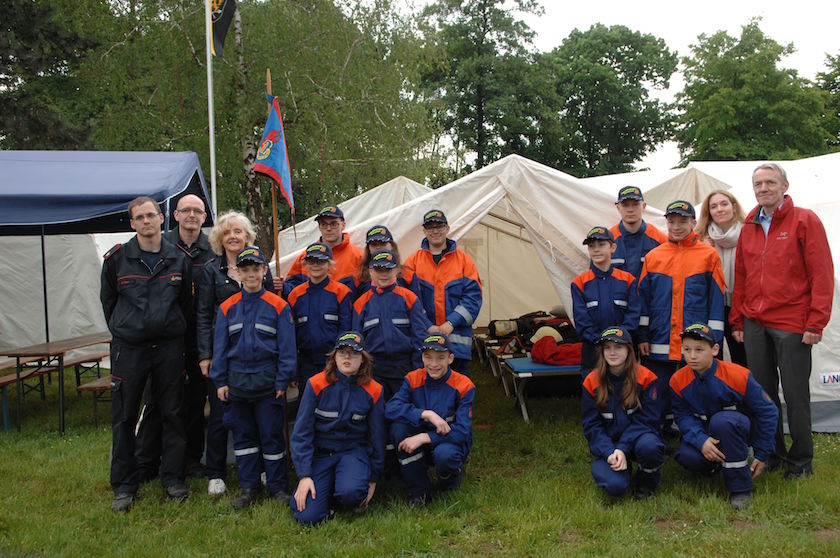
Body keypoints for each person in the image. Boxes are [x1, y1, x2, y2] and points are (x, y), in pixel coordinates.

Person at [730, 163, 834, 479]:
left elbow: (821, 272)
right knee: (762, 393)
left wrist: (816, 322)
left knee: (795, 392)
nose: (764, 188)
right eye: (758, 183)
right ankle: (771, 453)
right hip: (754, 322)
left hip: (791, 321)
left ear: (784, 185)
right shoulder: (748, 225)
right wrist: (737, 319)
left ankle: (801, 461)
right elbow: (742, 275)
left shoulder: (804, 220)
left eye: (770, 182)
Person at [100, 196, 192, 512]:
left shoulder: (178, 259)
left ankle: (173, 478)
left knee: (172, 413)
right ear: (132, 223)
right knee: (124, 417)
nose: (146, 221)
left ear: (162, 218)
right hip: (130, 349)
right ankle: (124, 486)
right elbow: (108, 303)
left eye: (150, 215)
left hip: (168, 347)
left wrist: (168, 326)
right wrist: (127, 328)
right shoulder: (116, 260)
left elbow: (185, 304)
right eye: (139, 217)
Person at [196, 210, 279, 496]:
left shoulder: (260, 266)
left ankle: (266, 469)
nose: (233, 236)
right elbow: (204, 314)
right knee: (221, 414)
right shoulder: (210, 270)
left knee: (261, 416)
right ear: (220, 237)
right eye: (227, 232)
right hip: (224, 355)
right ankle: (216, 472)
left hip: (258, 356)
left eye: (238, 232)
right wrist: (205, 355)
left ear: (248, 237)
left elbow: (273, 306)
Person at [135, 194, 214, 482]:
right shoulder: (161, 244)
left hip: (198, 336)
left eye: (197, 211)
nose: (192, 215)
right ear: (176, 215)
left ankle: (191, 458)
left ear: (204, 218)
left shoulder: (212, 249)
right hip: (164, 337)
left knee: (194, 400)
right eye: (186, 210)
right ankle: (146, 461)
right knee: (158, 399)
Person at [211, 246, 297, 509]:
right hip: (237, 385)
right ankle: (249, 487)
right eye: (245, 270)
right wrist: (220, 381)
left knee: (272, 437)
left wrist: (282, 380)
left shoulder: (279, 306)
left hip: (268, 384)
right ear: (237, 273)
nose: (251, 274)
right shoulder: (226, 308)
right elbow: (220, 348)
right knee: (244, 438)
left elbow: (287, 349)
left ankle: (277, 486)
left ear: (263, 271)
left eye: (256, 269)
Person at [638, 200, 726, 433]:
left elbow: (717, 301)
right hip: (660, 337)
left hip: (696, 341)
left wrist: (714, 339)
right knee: (659, 388)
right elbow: (643, 301)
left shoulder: (708, 255)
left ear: (694, 223)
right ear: (666, 222)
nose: (676, 226)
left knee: (701, 387)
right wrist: (643, 336)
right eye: (672, 221)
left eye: (683, 221)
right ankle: (660, 432)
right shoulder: (654, 256)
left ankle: (704, 432)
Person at [670, 323, 778, 509]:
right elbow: (683, 416)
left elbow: (767, 411)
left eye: (699, 349)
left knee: (722, 422)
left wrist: (762, 453)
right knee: (685, 455)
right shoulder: (678, 380)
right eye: (687, 349)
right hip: (707, 433)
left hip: (737, 428)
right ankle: (718, 465)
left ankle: (740, 488)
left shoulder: (738, 375)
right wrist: (701, 441)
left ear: (715, 349)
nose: (692, 356)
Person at [290, 332, 385, 524]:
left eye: (353, 353)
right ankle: (328, 492)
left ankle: (344, 489)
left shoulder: (374, 390)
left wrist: (373, 478)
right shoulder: (315, 384)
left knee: (352, 494)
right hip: (322, 455)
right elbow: (301, 433)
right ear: (334, 357)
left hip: (353, 452)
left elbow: (378, 438)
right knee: (307, 516)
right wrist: (304, 475)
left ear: (363, 359)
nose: (347, 358)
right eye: (342, 353)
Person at [386, 334, 475, 507]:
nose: (433, 364)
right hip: (422, 439)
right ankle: (420, 492)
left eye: (440, 358)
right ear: (422, 357)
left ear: (450, 359)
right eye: (428, 357)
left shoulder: (465, 385)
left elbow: (462, 431)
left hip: (448, 442)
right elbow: (390, 409)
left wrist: (424, 438)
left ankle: (450, 480)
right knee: (398, 429)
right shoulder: (412, 378)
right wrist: (425, 414)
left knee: (445, 456)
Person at [581, 327, 663, 499]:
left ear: (629, 350)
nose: (612, 352)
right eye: (607, 348)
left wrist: (622, 448)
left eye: (618, 347)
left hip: (638, 440)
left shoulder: (647, 378)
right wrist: (611, 452)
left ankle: (646, 482)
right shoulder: (591, 381)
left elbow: (648, 421)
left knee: (650, 447)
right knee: (615, 486)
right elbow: (591, 426)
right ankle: (619, 467)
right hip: (608, 445)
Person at [404, 209, 483, 375]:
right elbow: (408, 300)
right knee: (426, 393)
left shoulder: (464, 261)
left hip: (457, 346)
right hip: (426, 341)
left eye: (439, 226)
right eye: (430, 227)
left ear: (447, 228)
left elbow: (473, 298)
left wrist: (451, 323)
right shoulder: (412, 262)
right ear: (424, 231)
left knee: (458, 390)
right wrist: (427, 325)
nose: (435, 231)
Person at [352, 249, 429, 402]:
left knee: (402, 417)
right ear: (370, 272)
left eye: (388, 269)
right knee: (377, 418)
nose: (384, 274)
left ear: (397, 270)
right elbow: (357, 343)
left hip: (404, 370)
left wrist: (417, 370)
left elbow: (420, 337)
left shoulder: (409, 298)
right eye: (379, 269)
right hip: (374, 372)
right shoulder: (361, 304)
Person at [571, 227, 640, 374]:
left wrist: (617, 342)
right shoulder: (579, 283)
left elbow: (633, 316)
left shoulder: (628, 280)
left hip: (623, 352)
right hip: (593, 353)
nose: (596, 250)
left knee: (625, 394)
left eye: (601, 245)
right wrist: (604, 343)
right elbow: (582, 321)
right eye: (591, 246)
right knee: (594, 393)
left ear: (613, 247)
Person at [287, 242, 353, 384]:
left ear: (330, 264)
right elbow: (290, 336)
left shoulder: (341, 292)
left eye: (321, 261)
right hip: (306, 363)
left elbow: (346, 329)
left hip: (334, 361)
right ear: (305, 265)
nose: (316, 265)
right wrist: (293, 369)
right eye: (312, 261)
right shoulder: (295, 295)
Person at [696, 190, 747, 366]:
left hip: (742, 306)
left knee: (742, 359)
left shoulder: (749, 233)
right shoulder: (701, 239)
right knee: (713, 360)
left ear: (734, 207)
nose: (719, 209)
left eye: (724, 204)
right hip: (713, 307)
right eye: (713, 206)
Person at [284, 205, 363, 296]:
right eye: (324, 224)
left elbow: (365, 291)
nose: (328, 229)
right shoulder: (305, 257)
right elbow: (292, 291)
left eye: (333, 224)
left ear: (343, 225)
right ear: (319, 227)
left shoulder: (358, 256)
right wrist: (281, 287)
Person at [609, 186, 668, 280]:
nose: (630, 210)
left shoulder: (660, 240)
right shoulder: (607, 240)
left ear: (643, 206)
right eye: (625, 205)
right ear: (618, 208)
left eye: (635, 204)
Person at [354, 225, 420, 298]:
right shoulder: (359, 278)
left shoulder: (408, 275)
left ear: (392, 245)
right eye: (373, 244)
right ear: (368, 249)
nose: (378, 247)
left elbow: (417, 305)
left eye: (383, 243)